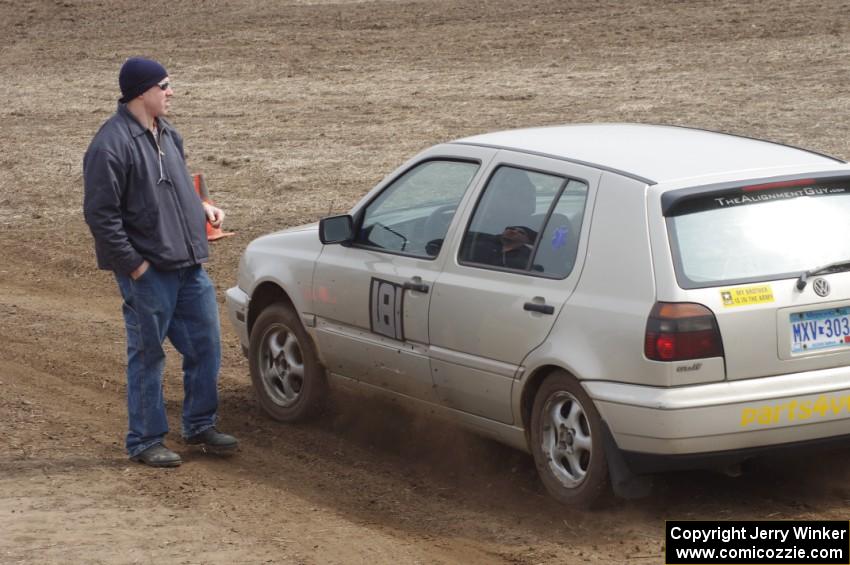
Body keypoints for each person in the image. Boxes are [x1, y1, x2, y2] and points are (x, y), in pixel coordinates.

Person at [83, 57, 238, 467]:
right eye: (165, 85)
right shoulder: (110, 145)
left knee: (206, 346)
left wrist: (203, 207)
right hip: (148, 272)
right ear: (141, 91)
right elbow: (101, 215)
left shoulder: (168, 133)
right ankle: (145, 440)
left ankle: (200, 424)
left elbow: (175, 187)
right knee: (148, 354)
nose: (172, 92)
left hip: (188, 265)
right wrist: (135, 266)